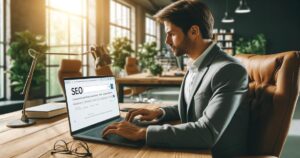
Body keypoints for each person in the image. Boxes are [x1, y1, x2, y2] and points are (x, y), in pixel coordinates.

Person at [102, 0, 249, 157]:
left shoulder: (229, 70)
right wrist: (159, 112)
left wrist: (141, 132)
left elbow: (207, 132)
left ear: (194, 31)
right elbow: (192, 107)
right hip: (193, 149)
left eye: (171, 34)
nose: (167, 41)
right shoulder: (196, 63)